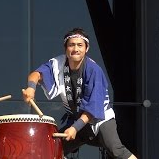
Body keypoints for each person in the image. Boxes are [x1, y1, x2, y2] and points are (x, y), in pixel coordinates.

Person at [22, 28, 137, 159]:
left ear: (86, 49)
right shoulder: (58, 64)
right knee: (52, 148)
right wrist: (31, 88)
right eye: (71, 45)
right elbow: (36, 74)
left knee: (116, 150)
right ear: (65, 48)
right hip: (78, 121)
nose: (75, 49)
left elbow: (92, 109)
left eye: (80, 45)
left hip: (100, 120)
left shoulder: (94, 70)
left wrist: (75, 128)